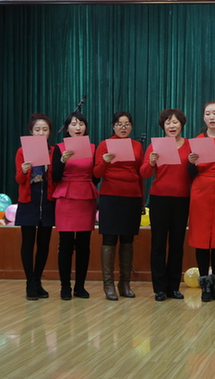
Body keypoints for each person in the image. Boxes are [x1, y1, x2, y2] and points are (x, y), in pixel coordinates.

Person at [141, 109, 192, 302]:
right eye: (168, 122)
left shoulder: (190, 145)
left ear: (182, 125)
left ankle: (174, 287)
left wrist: (194, 163)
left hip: (181, 199)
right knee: (158, 244)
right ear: (163, 126)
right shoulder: (155, 146)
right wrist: (151, 162)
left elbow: (194, 172)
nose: (172, 126)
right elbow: (144, 173)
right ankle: (160, 288)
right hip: (159, 199)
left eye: (175, 122)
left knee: (177, 244)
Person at [93, 111, 145, 301]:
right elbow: (96, 173)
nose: (123, 127)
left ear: (131, 127)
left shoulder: (137, 146)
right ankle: (108, 285)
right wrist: (105, 162)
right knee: (109, 240)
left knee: (127, 241)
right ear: (113, 126)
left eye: (127, 124)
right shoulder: (104, 145)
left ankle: (125, 283)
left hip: (132, 197)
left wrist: (142, 200)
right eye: (119, 124)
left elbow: (140, 175)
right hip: (110, 197)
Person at [187, 102, 215, 302]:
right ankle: (205, 285)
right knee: (201, 237)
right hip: (201, 190)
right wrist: (191, 162)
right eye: (208, 114)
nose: (212, 117)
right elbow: (190, 173)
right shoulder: (197, 140)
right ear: (204, 117)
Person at [52, 112, 98, 300]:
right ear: (67, 128)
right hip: (66, 197)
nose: (78, 127)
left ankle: (80, 286)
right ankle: (65, 287)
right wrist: (62, 161)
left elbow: (96, 177)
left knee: (84, 245)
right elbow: (55, 177)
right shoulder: (59, 148)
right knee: (65, 244)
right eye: (73, 124)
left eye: (81, 124)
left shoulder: (93, 148)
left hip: (85, 196)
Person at [14, 113, 56, 301]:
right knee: (28, 243)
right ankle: (29, 282)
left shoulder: (54, 151)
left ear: (49, 132)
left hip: (47, 201)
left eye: (45, 129)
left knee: (44, 244)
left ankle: (38, 280)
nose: (41, 133)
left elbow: (57, 177)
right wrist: (24, 171)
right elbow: (19, 179)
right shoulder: (22, 151)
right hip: (29, 201)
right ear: (31, 132)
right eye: (37, 129)